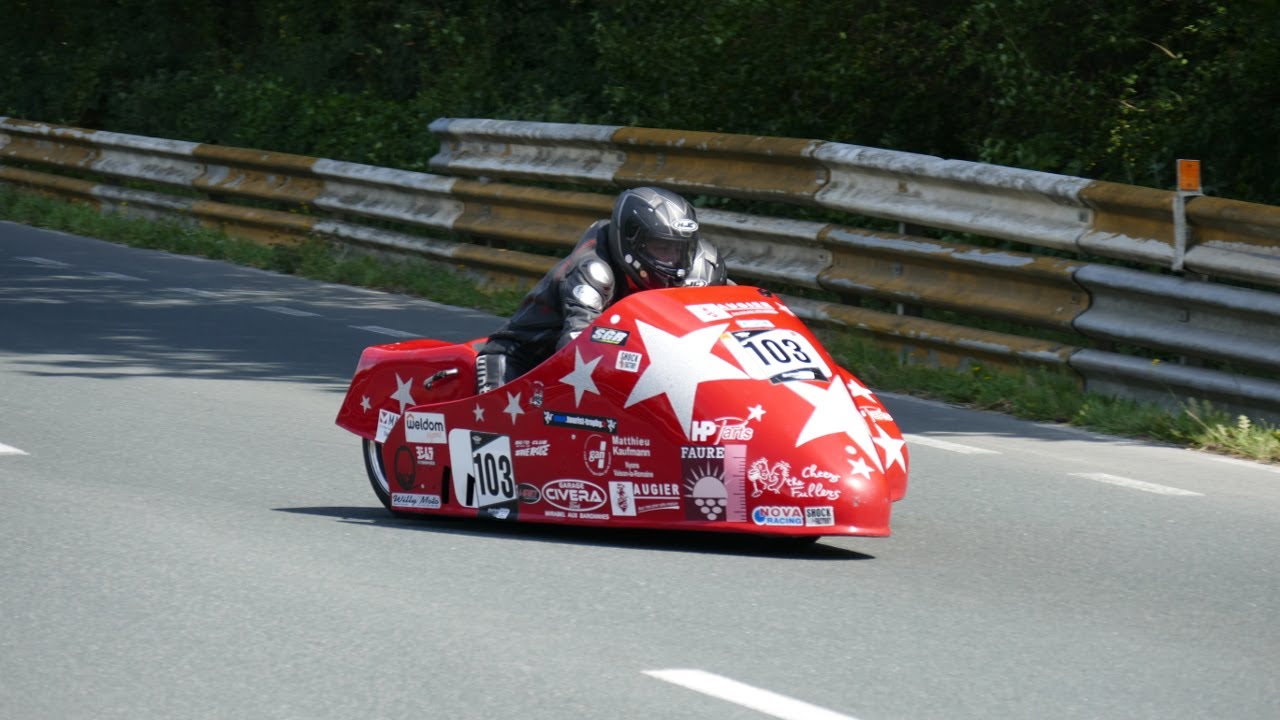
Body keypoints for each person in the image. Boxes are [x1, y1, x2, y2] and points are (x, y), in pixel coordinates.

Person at [475, 186, 730, 393]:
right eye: (662, 249)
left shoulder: (699, 267)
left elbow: (736, 313)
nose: (673, 261)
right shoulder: (593, 272)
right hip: (522, 361)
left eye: (679, 250)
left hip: (574, 367)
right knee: (499, 424)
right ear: (632, 242)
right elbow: (578, 344)